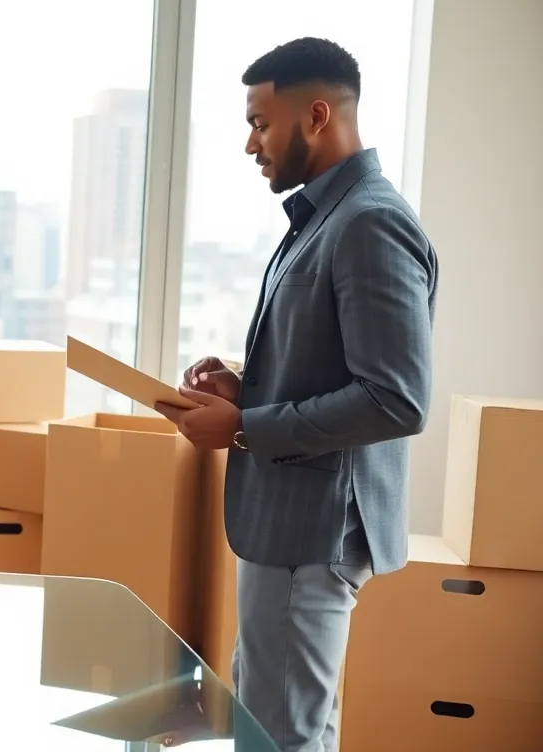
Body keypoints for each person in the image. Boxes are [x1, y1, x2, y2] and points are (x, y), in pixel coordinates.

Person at [154, 38, 437, 751]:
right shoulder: (325, 218)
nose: (251, 143)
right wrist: (244, 389)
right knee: (275, 724)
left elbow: (396, 400)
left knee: (281, 735)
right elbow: (335, 369)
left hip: (311, 529)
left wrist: (246, 427)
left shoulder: (368, 222)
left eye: (260, 122)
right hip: (293, 526)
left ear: (315, 116)